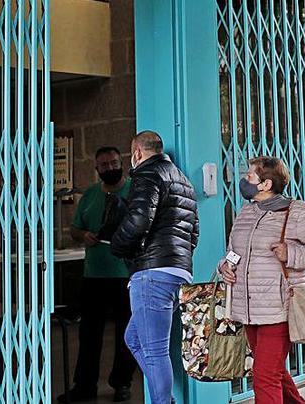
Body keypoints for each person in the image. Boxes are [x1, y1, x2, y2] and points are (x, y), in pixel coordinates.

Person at [218, 156, 305, 404]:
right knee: (273, 371)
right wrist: (225, 266)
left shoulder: (298, 212)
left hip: (279, 307)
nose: (244, 180)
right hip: (248, 308)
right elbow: (233, 251)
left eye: (249, 176)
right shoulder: (246, 212)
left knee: (264, 375)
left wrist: (291, 253)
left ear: (266, 184)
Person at [110, 131, 200, 404]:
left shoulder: (148, 174)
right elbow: (193, 233)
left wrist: (117, 246)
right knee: (133, 338)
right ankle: (167, 400)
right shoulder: (183, 180)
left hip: (153, 272)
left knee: (154, 350)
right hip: (178, 271)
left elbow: (138, 220)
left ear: (137, 152)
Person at [61, 146, 136, 403]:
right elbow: (74, 228)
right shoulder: (91, 195)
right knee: (89, 333)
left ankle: (122, 383)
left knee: (126, 333)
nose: (110, 168)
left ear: (122, 162)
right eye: (104, 165)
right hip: (94, 274)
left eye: (114, 163)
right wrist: (83, 235)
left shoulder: (135, 191)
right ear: (97, 169)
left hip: (125, 274)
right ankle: (84, 386)